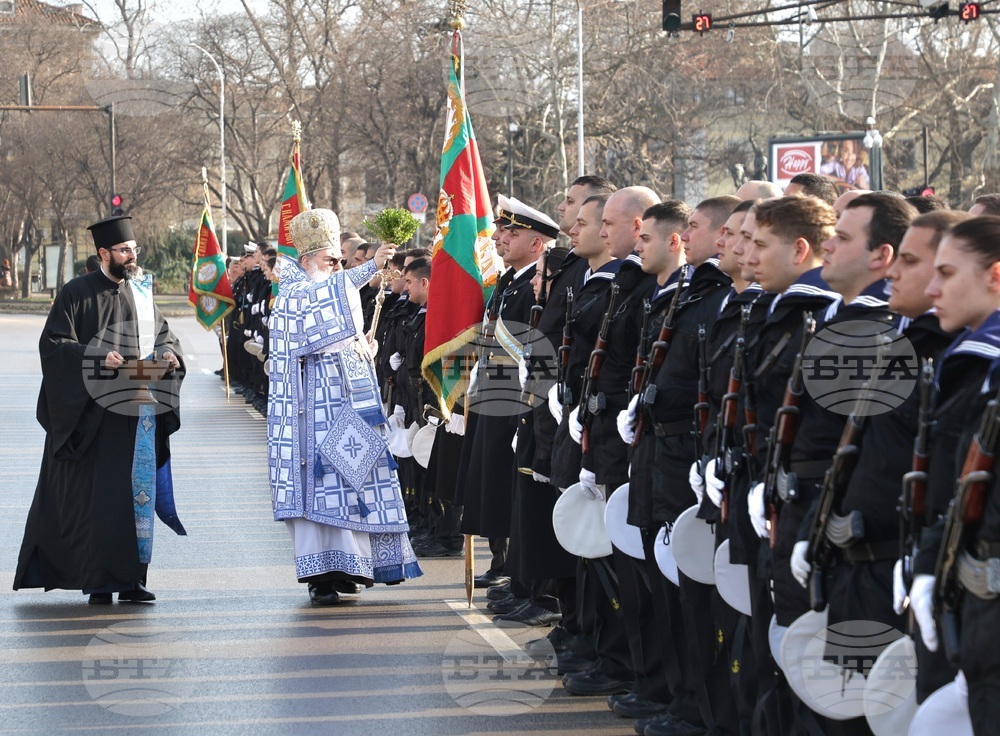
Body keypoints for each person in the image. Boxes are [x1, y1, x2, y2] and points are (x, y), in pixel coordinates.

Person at [14, 215, 186, 604]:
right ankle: (99, 581)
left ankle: (131, 580)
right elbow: (55, 345)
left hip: (137, 411)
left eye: (134, 249)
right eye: (125, 250)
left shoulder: (141, 293)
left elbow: (164, 336)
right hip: (91, 416)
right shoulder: (76, 293)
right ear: (103, 253)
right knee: (99, 501)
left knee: (134, 496)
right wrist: (95, 356)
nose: (132, 256)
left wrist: (169, 355)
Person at [267, 208, 421, 605]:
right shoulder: (293, 291)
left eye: (339, 260)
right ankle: (321, 575)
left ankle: (351, 567)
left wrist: (363, 349)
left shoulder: (336, 287)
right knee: (320, 489)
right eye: (329, 260)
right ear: (306, 261)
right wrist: (368, 266)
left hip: (347, 403)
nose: (336, 267)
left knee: (354, 482)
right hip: (308, 410)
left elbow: (342, 332)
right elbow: (314, 320)